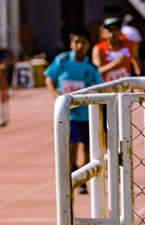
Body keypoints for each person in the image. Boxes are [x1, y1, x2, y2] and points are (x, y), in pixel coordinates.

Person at [44, 29, 103, 194]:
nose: (79, 46)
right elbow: (49, 78)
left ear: (88, 45)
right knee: (72, 146)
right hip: (69, 115)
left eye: (83, 42)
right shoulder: (62, 61)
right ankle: (73, 175)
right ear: (71, 44)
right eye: (76, 42)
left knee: (88, 148)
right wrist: (56, 96)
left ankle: (81, 175)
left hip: (86, 114)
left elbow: (100, 87)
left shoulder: (90, 67)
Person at [93, 17, 141, 83]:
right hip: (106, 87)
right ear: (104, 32)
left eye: (115, 29)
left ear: (120, 30)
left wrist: (139, 75)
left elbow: (135, 59)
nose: (112, 33)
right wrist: (115, 63)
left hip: (125, 86)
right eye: (110, 30)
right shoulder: (98, 48)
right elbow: (95, 72)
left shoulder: (130, 44)